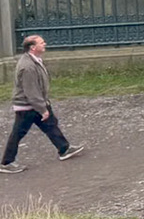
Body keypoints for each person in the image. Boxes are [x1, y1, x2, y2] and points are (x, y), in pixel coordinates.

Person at [1, 34, 84, 172]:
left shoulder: (34, 60)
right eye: (41, 42)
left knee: (51, 124)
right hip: (27, 107)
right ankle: (6, 162)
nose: (45, 44)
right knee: (18, 133)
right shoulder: (28, 66)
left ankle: (64, 149)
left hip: (35, 103)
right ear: (33, 47)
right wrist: (42, 109)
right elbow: (31, 91)